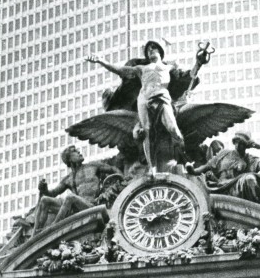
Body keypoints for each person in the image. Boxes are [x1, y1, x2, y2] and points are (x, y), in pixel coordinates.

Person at [87, 40, 201, 174]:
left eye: (154, 48)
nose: (150, 50)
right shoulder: (140, 68)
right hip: (144, 100)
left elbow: (189, 75)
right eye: (148, 49)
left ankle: (185, 160)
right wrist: (101, 61)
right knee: (147, 133)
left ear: (160, 51)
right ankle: (151, 168)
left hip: (162, 98)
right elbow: (120, 70)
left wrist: (198, 63)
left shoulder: (169, 68)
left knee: (173, 129)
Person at [32, 145, 122, 233]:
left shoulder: (93, 166)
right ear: (69, 159)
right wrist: (44, 189)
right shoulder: (68, 178)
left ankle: (54, 227)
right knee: (44, 200)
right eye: (74, 151)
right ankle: (35, 235)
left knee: (70, 197)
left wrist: (123, 179)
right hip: (75, 208)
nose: (79, 152)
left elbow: (113, 169)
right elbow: (52, 193)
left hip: (91, 205)